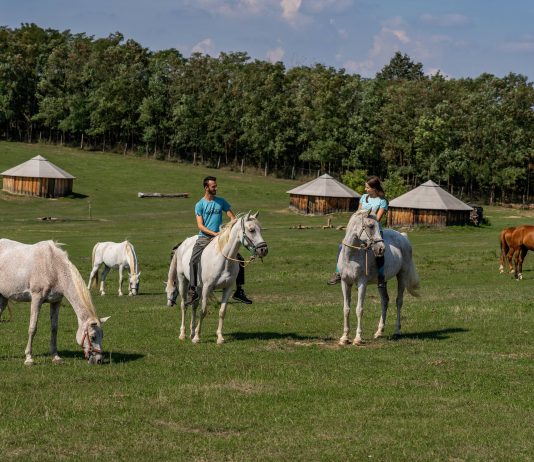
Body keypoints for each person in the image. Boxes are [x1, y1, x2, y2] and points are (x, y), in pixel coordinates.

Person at [186, 176, 252, 305]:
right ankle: (193, 290)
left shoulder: (221, 202)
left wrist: (231, 227)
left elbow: (232, 218)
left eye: (216, 186)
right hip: (204, 237)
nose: (216, 188)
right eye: (213, 186)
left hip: (221, 237)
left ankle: (239, 291)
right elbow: (200, 226)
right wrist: (214, 233)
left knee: (239, 259)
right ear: (206, 188)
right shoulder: (199, 205)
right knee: (193, 259)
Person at [327, 176, 388, 287]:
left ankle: (381, 276)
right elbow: (358, 213)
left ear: (374, 189)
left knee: (379, 252)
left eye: (367, 187)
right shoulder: (364, 197)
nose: (365, 189)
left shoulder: (382, 202)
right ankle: (338, 273)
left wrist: (367, 218)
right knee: (342, 246)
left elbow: (377, 219)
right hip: (360, 229)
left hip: (374, 230)